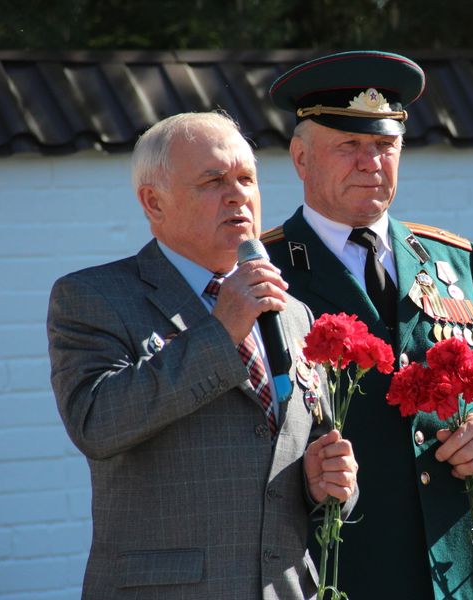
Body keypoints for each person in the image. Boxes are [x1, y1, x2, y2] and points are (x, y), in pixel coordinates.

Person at [262, 51, 473, 599]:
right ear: (301, 158)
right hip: (347, 565)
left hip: (465, 559)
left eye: (385, 146)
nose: (371, 162)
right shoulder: (266, 274)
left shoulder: (451, 259)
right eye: (348, 146)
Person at [47, 111, 358, 599]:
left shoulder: (293, 311)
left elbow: (299, 453)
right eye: (213, 180)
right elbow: (96, 422)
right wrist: (221, 330)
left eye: (246, 178)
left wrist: (326, 485)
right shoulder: (95, 297)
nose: (237, 195)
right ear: (154, 202)